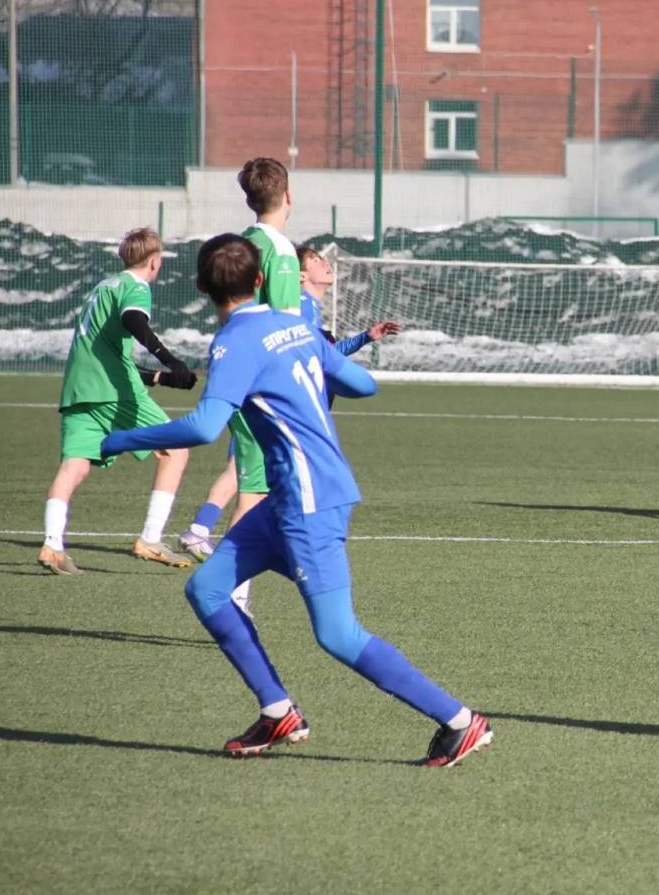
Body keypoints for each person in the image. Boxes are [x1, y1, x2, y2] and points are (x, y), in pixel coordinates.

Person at [101, 233, 492, 765]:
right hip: (289, 498)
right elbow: (364, 386)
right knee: (207, 589)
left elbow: (205, 427)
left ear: (200, 289)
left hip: (308, 502)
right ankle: (277, 710)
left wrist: (122, 439)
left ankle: (460, 722)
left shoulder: (233, 344)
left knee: (337, 634)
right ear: (260, 279)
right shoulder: (294, 324)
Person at [178, 157, 301, 600]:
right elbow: (285, 328)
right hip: (263, 385)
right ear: (288, 196)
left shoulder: (241, 244)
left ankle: (236, 590)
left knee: (255, 484)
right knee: (253, 492)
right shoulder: (280, 251)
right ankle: (232, 596)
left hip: (238, 373)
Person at [39, 227, 196, 574]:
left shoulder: (102, 288)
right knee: (175, 450)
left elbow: (106, 352)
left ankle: (52, 545)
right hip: (113, 390)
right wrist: (170, 360)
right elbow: (133, 320)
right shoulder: (136, 287)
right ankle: (151, 539)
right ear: (154, 262)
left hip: (79, 388)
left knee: (75, 466)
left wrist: (159, 377)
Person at [297, 245, 400, 360]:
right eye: (316, 261)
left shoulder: (308, 304)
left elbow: (326, 354)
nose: (325, 263)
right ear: (302, 276)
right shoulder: (303, 306)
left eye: (322, 259)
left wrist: (365, 337)